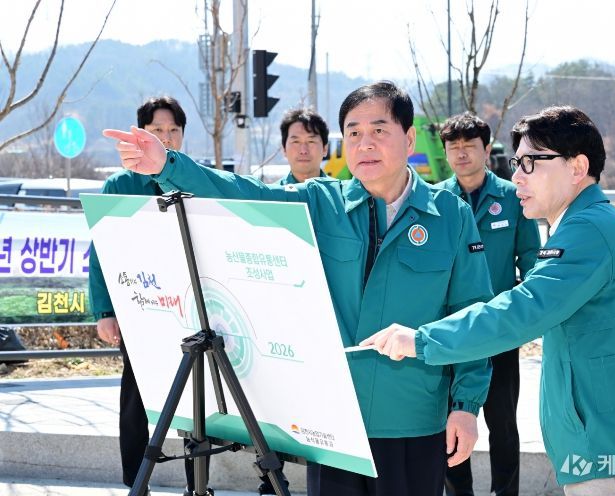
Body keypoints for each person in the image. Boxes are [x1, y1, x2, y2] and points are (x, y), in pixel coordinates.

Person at [103, 81, 493, 496]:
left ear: (409, 138)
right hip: (336, 426)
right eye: (354, 133)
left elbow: (471, 314)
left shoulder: (449, 215)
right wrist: (167, 165)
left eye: (379, 130)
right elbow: (245, 194)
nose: (365, 143)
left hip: (412, 420)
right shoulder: (323, 202)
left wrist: (466, 406)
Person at [363, 105, 615, 496]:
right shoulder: (586, 224)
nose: (517, 175)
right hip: (610, 440)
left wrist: (421, 340)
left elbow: (522, 309)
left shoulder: (588, 230)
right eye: (517, 163)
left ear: (577, 167)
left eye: (531, 163)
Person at [89, 96, 214, 496]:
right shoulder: (120, 186)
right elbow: (100, 253)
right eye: (157, 130)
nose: (166, 137)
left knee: (197, 398)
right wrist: (105, 311)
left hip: (190, 307)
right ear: (140, 134)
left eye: (174, 130)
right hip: (137, 307)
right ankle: (135, 481)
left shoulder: (196, 180)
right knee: (135, 393)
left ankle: (198, 482)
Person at [436, 112, 540, 496]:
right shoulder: (436, 200)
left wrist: (524, 317)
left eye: (470, 146)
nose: (462, 154)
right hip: (451, 332)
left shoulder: (512, 197)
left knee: (503, 424)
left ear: (486, 149)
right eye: (454, 147)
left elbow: (532, 261)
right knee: (452, 422)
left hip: (499, 331)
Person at [278, 108, 329, 185]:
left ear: (325, 148)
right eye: (296, 142)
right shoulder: (271, 192)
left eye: (311, 141)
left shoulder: (339, 191)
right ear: (284, 149)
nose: (303, 151)